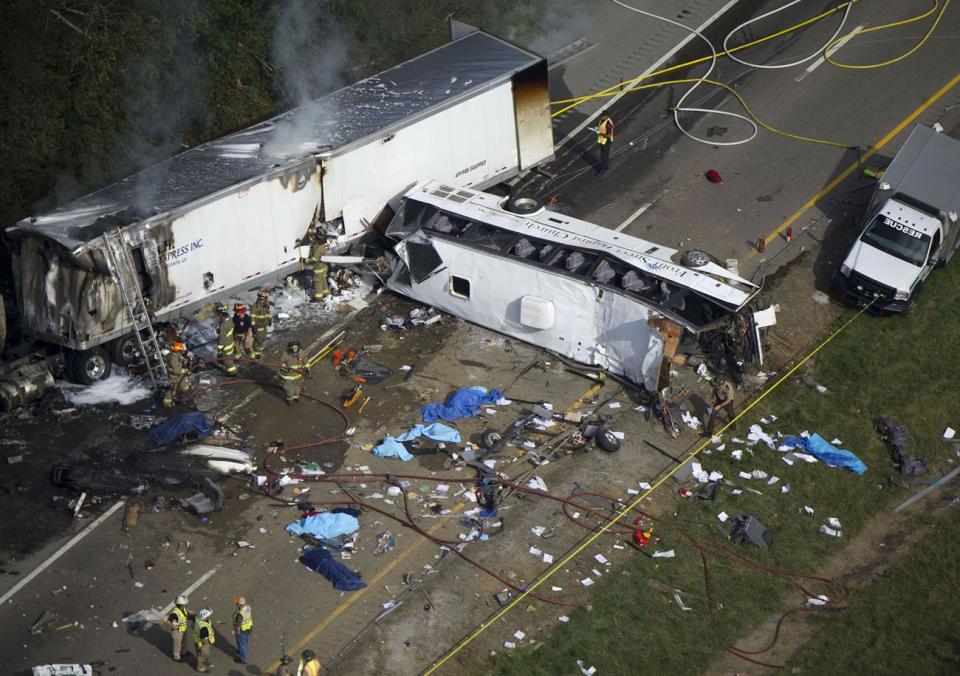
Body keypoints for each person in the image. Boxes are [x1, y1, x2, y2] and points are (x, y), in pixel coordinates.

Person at [162, 342, 193, 408]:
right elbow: (175, 370)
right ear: (178, 350)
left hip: (180, 376)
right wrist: (184, 371)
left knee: (184, 387)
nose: (182, 351)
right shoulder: (173, 359)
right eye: (181, 350)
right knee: (173, 390)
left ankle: (184, 396)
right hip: (174, 377)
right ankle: (167, 403)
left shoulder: (175, 355)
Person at [305, 229, 330, 302]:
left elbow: (314, 259)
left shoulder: (318, 248)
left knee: (318, 283)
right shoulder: (324, 246)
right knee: (324, 280)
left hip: (318, 268)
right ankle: (326, 294)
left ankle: (319, 298)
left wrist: (305, 260)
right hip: (324, 267)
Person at [166, 594, 191, 662]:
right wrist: (172, 626)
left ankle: (184, 652)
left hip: (183, 628)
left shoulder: (183, 609)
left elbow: (186, 614)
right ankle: (176, 656)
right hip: (177, 631)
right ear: (180, 605)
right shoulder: (175, 613)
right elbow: (168, 621)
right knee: (177, 644)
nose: (185, 605)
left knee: (184, 641)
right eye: (184, 604)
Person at [215, 303, 238, 376]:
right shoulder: (229, 319)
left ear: (221, 314)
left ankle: (233, 373)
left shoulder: (223, 325)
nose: (218, 316)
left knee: (227, 361)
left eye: (219, 314)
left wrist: (219, 348)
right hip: (230, 342)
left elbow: (222, 338)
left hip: (225, 346)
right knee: (230, 356)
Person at [193, 607, 215, 673]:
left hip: (196, 639)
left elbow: (192, 617)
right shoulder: (204, 627)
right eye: (208, 615)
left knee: (201, 654)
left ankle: (203, 662)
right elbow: (203, 638)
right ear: (205, 617)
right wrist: (206, 644)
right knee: (202, 655)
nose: (209, 616)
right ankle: (200, 667)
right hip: (202, 643)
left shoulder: (198, 618)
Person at [251, 290, 272, 359]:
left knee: (263, 338)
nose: (263, 301)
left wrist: (270, 320)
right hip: (258, 326)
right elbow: (252, 316)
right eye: (262, 299)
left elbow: (268, 313)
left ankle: (260, 347)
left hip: (264, 325)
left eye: (265, 299)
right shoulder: (255, 306)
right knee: (258, 339)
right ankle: (257, 353)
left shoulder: (266, 305)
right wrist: (254, 326)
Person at [232, 596, 253, 664]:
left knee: (241, 644)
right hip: (248, 628)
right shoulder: (248, 607)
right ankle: (241, 651)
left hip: (242, 631)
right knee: (245, 642)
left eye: (237, 603)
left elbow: (238, 625)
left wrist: (237, 632)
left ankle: (242, 659)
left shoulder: (240, 615)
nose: (236, 604)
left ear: (240, 604)